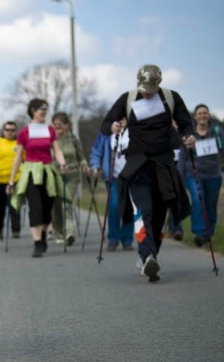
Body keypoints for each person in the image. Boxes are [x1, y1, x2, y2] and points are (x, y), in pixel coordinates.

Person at [100, 64, 194, 282]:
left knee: (159, 217)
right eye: (143, 87)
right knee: (144, 212)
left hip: (164, 166)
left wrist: (188, 136)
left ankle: (149, 257)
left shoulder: (171, 98)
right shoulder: (128, 98)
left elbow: (186, 124)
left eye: (150, 88)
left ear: (159, 83)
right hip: (137, 166)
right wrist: (113, 126)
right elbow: (106, 124)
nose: (146, 92)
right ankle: (147, 255)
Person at [8, 99, 67, 258]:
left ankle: (42, 234)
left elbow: (57, 149)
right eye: (42, 109)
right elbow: (18, 157)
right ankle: (37, 242)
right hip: (31, 172)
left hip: (48, 171)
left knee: (48, 208)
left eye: (46, 109)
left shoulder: (50, 130)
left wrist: (62, 163)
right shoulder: (24, 132)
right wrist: (11, 180)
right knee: (35, 207)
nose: (45, 112)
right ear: (33, 110)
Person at [177, 104, 224, 246]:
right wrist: (179, 176)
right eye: (199, 113)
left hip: (213, 174)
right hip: (194, 173)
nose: (202, 115)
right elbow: (183, 155)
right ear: (195, 117)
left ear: (208, 115)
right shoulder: (189, 133)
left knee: (210, 206)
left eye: (205, 113)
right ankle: (199, 232)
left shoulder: (216, 131)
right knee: (198, 200)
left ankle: (208, 233)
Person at [89, 117, 134, 251]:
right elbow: (97, 152)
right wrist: (96, 166)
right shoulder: (106, 133)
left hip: (130, 176)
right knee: (114, 205)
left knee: (128, 208)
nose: (121, 121)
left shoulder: (134, 132)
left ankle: (127, 239)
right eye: (118, 118)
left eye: (124, 118)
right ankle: (113, 238)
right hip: (113, 177)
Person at [51, 112, 89, 246]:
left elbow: (81, 157)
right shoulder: (51, 140)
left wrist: (84, 166)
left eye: (60, 125)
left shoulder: (74, 139)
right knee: (55, 206)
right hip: (55, 175)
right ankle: (59, 232)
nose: (57, 127)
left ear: (66, 125)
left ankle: (69, 233)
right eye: (55, 125)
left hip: (72, 175)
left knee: (66, 203)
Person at [0, 121, 22, 240]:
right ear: (3, 131)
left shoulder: (20, 143)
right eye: (8, 130)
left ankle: (15, 229)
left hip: (15, 179)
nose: (10, 132)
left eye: (12, 130)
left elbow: (26, 159)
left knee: (15, 204)